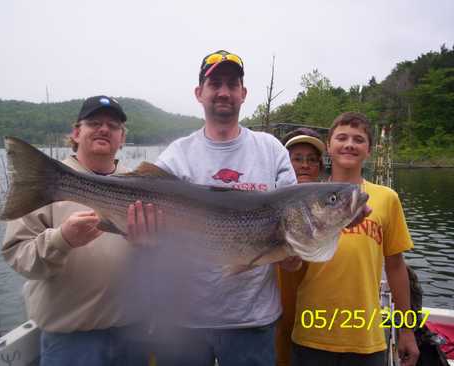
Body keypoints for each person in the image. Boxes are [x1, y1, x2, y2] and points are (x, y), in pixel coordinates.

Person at [152, 49, 298, 366]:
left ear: (243, 94)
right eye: (214, 83)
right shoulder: (176, 156)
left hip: (252, 323)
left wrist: (297, 251)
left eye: (232, 84)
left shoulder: (271, 151)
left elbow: (292, 242)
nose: (223, 92)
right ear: (199, 93)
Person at [2, 95, 154, 366]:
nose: (104, 129)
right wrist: (62, 240)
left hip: (135, 336)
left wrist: (149, 246)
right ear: (76, 132)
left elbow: (164, 264)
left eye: (113, 125)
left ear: (121, 138)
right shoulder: (45, 181)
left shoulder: (143, 187)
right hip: (71, 344)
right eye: (94, 122)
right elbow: (19, 257)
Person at [291, 112, 420, 366]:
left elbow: (395, 267)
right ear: (329, 146)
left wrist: (407, 330)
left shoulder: (386, 198)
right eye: (341, 137)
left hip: (366, 335)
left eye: (358, 139)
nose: (349, 144)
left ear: (369, 150)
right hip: (311, 331)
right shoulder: (306, 198)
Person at [275, 127, 326, 366]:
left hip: (316, 324)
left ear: (321, 167)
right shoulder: (268, 203)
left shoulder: (335, 212)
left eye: (312, 160)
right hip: (274, 318)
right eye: (296, 159)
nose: (304, 165)